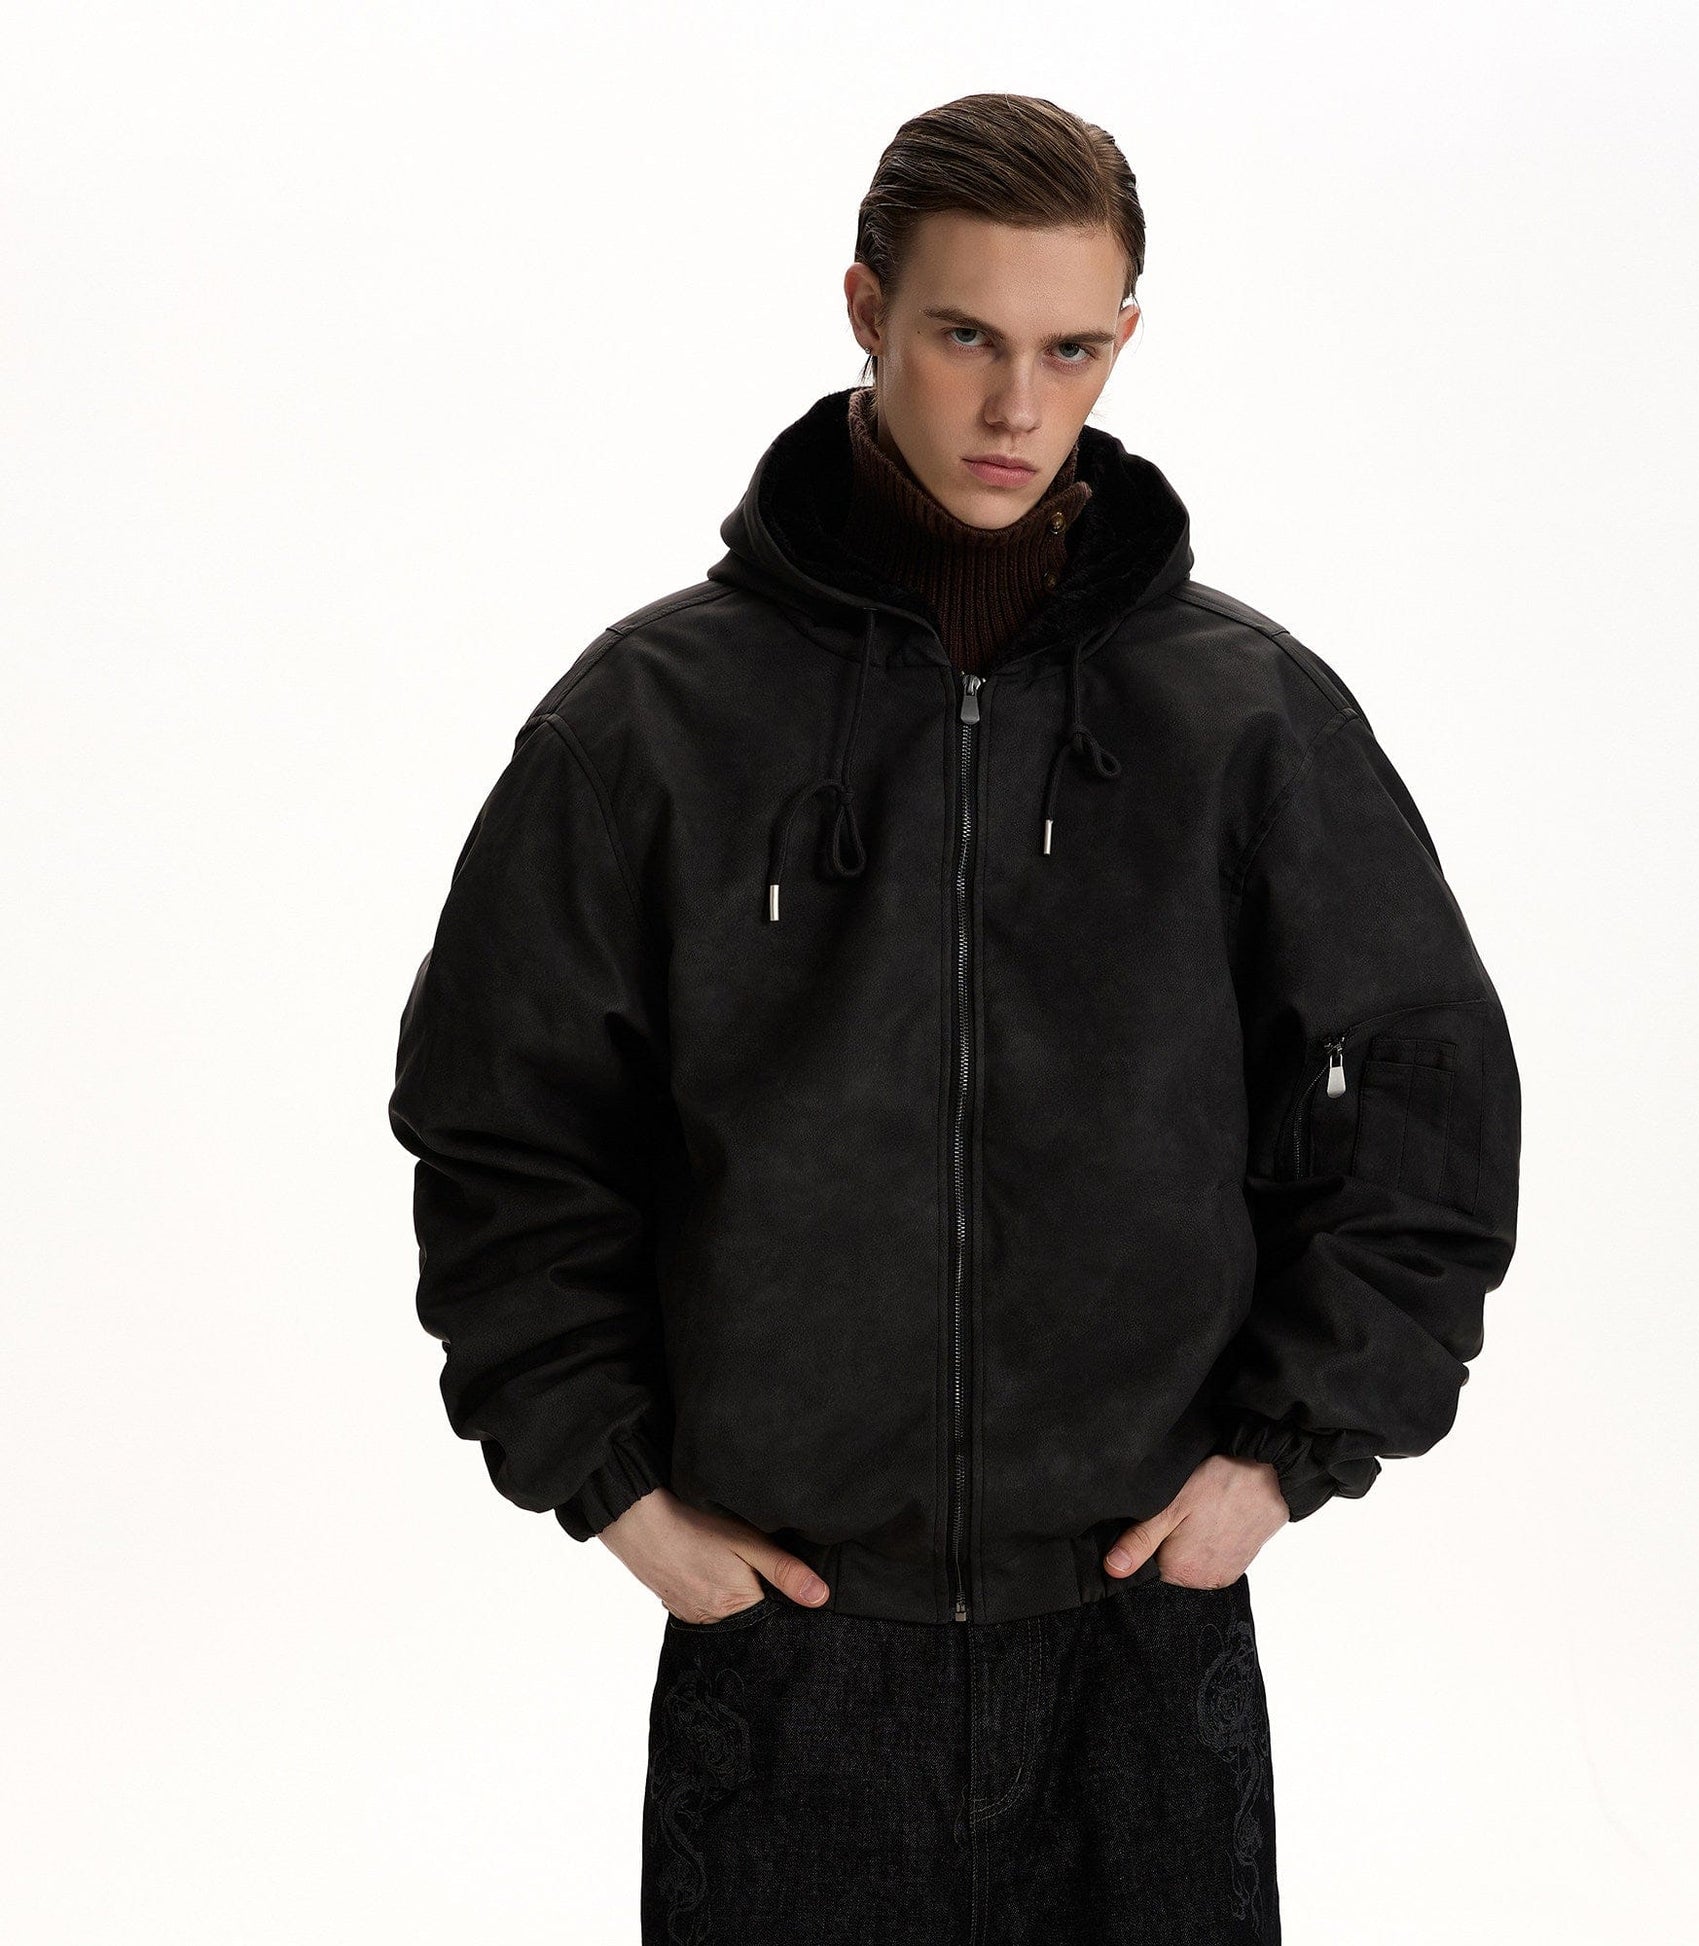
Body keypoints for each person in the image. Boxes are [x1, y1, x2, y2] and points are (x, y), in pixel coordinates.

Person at [388, 91, 1521, 1946]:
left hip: (1137, 1635)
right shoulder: (653, 718)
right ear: (864, 308)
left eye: (1069, 350)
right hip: (791, 1643)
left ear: (1123, 342)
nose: (1015, 405)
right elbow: (501, 1124)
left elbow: (1426, 1094)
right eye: (964, 335)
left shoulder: (1241, 717)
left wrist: (1287, 1453)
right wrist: (612, 1487)